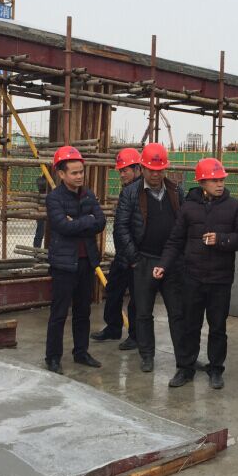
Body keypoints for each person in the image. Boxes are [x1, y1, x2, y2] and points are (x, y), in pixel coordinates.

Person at [154, 158, 238, 389]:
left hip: (220, 279)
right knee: (190, 325)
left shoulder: (234, 207)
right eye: (214, 180)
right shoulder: (188, 208)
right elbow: (175, 241)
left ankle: (216, 369)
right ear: (202, 182)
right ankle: (185, 368)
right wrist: (163, 264)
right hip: (192, 277)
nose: (220, 184)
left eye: (221, 180)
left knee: (217, 327)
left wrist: (222, 239)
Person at [114, 143, 186, 374]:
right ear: (142, 168)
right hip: (144, 260)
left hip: (171, 261)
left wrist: (179, 256)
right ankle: (147, 355)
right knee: (143, 312)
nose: (155, 174)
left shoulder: (176, 191)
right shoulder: (130, 193)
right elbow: (121, 227)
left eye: (160, 170)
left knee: (177, 313)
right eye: (151, 170)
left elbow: (184, 224)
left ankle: (184, 359)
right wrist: (135, 259)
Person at [44, 146, 106, 374]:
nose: (79, 176)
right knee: (59, 313)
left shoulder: (88, 194)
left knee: (83, 312)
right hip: (63, 264)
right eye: (74, 172)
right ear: (61, 174)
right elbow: (62, 226)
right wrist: (87, 220)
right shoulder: (54, 198)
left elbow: (101, 222)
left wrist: (77, 222)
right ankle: (53, 357)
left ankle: (81, 352)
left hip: (86, 262)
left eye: (81, 171)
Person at [91, 148, 142, 349]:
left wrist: (133, 256)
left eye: (125, 170)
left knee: (136, 299)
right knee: (113, 291)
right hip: (123, 254)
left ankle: (135, 336)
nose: (122, 174)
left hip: (135, 255)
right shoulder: (127, 190)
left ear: (137, 169)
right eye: (120, 170)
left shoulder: (141, 191)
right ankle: (113, 328)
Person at [33, 173, 49, 248]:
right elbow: (41, 183)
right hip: (42, 208)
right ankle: (36, 250)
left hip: (52, 208)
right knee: (40, 231)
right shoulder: (43, 177)